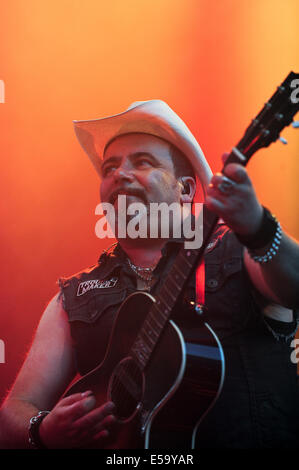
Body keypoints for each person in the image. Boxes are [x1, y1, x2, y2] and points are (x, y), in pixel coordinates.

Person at [0, 100, 299, 449]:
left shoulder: (239, 250)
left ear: (185, 189)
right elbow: (12, 415)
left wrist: (259, 229)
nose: (120, 173)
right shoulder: (76, 295)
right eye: (110, 167)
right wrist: (42, 429)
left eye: (142, 161)